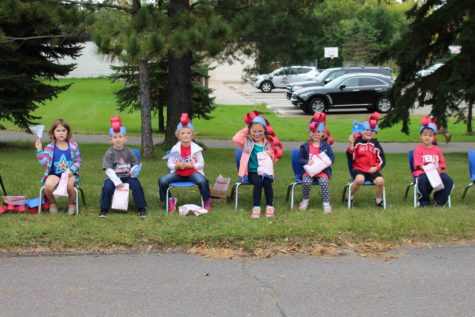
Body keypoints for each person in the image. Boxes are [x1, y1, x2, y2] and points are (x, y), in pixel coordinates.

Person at [158, 116, 211, 213]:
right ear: (178, 135)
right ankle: (170, 200)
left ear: (192, 135)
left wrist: (192, 166)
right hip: (178, 173)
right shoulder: (175, 148)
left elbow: (201, 164)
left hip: (193, 173)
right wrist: (176, 166)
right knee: (162, 181)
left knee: (203, 181)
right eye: (182, 133)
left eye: (188, 133)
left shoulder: (196, 149)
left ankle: (206, 200)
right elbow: (169, 163)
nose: (185, 135)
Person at [232, 115, 279, 218]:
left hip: (265, 171)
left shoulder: (268, 143)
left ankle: (269, 206)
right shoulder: (247, 142)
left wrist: (271, 155)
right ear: (250, 131)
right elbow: (236, 138)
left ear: (265, 130)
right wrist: (248, 127)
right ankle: (256, 207)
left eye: (260, 131)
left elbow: (274, 159)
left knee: (267, 182)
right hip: (252, 171)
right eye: (254, 131)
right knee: (258, 183)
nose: (257, 134)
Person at [100, 118, 147, 218]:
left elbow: (135, 164)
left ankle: (141, 208)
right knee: (107, 188)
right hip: (113, 177)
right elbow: (108, 169)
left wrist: (133, 171)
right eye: (115, 137)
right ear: (111, 139)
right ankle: (104, 209)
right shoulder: (109, 153)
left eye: (120, 137)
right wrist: (117, 181)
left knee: (137, 187)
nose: (118, 139)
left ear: (126, 138)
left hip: (127, 176)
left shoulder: (129, 151)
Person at [35, 119, 81, 215]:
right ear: (53, 133)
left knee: (69, 186)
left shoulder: (73, 146)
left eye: (64, 130)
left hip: (70, 174)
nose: (61, 133)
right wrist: (39, 150)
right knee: (48, 186)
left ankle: (71, 203)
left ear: (68, 132)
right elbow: (43, 162)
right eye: (58, 131)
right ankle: (52, 203)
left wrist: (72, 170)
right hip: (54, 174)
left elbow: (77, 161)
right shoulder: (49, 147)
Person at [413, 120, 454, 207]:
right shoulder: (418, 149)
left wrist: (438, 169)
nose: (427, 137)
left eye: (430, 135)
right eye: (424, 135)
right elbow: (418, 164)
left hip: (436, 172)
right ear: (421, 136)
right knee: (423, 180)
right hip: (423, 172)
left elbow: (442, 164)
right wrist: (427, 169)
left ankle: (439, 200)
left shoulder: (437, 150)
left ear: (434, 137)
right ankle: (424, 201)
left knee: (448, 181)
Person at [346, 117, 386, 207]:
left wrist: (376, 167)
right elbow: (350, 157)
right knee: (360, 179)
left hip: (372, 169)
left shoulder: (376, 144)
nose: (369, 132)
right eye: (367, 129)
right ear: (362, 131)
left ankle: (379, 201)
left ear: (375, 133)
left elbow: (382, 159)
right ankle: (350, 197)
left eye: (372, 130)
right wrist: (351, 144)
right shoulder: (357, 142)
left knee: (380, 181)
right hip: (359, 169)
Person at [298, 120, 335, 213]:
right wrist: (306, 161)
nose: (316, 134)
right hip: (309, 171)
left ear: (323, 133)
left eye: (318, 132)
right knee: (306, 182)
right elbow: (300, 159)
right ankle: (305, 200)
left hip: (322, 172)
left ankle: (326, 203)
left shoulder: (326, 146)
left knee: (323, 183)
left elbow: (332, 158)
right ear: (309, 133)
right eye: (313, 132)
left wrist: (326, 162)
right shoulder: (305, 146)